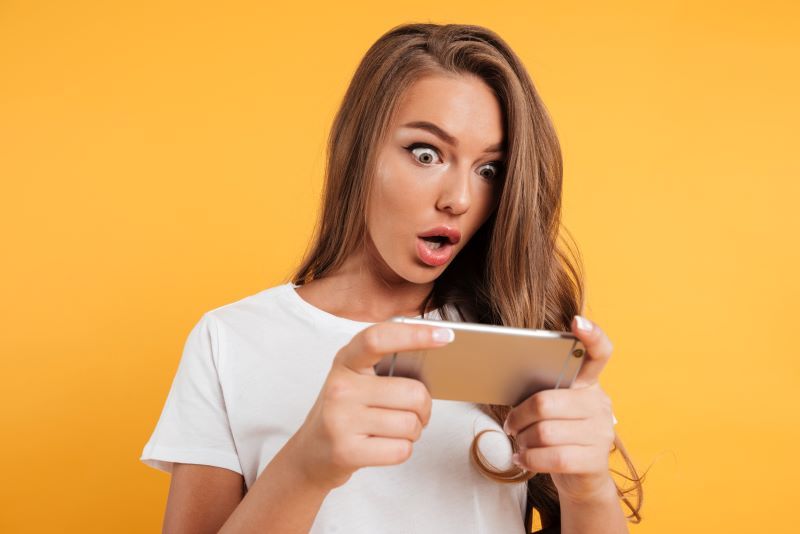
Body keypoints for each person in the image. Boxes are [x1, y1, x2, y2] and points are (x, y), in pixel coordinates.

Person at [140, 22, 645, 533]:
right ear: (359, 153)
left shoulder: (516, 336)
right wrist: (304, 469)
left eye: (488, 170)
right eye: (426, 154)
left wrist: (589, 490)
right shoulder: (230, 339)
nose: (460, 199)